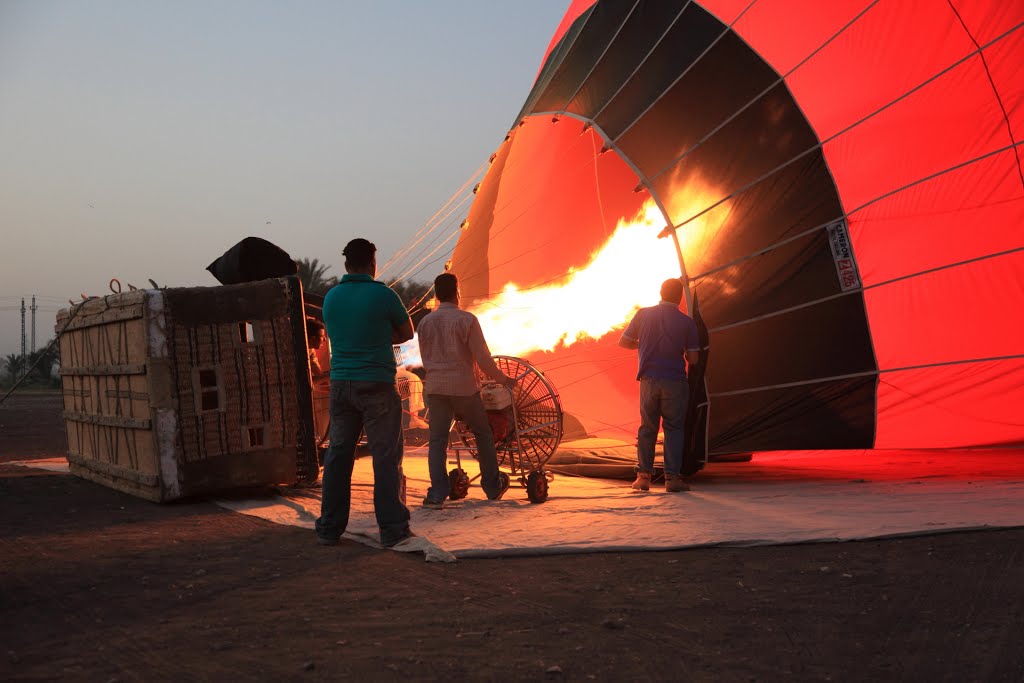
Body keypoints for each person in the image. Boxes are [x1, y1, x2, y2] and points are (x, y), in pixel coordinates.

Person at [315, 238, 415, 547]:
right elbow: (407, 333)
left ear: (346, 265)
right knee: (385, 458)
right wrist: (382, 335)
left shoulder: (331, 298)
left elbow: (336, 335)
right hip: (376, 385)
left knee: (338, 457)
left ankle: (330, 528)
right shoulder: (383, 295)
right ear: (373, 263)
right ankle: (393, 530)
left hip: (341, 386)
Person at [416, 272, 515, 508]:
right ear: (456, 292)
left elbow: (425, 357)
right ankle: (492, 487)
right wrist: (503, 379)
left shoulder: (424, 323)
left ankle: (437, 493)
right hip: (464, 388)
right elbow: (483, 359)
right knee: (483, 434)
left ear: (437, 294)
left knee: (438, 440)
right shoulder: (467, 320)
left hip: (436, 388)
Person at [618, 278, 700, 493]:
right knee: (673, 428)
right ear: (679, 297)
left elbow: (624, 342)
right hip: (674, 381)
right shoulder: (687, 322)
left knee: (647, 428)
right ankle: (672, 479)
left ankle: (643, 478)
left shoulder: (643, 314)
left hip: (648, 380)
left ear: (660, 293)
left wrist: (642, 346)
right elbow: (693, 359)